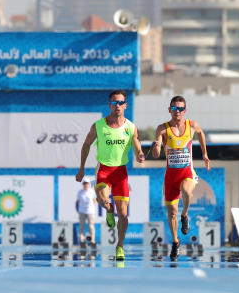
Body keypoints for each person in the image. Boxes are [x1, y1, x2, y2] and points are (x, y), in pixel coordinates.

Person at [76, 90, 145, 261]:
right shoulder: (99, 125)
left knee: (123, 214)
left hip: (121, 172)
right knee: (102, 199)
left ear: (125, 105)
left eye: (121, 103)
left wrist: (140, 154)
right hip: (104, 170)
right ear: (109, 105)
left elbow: (137, 145)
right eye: (114, 103)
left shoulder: (131, 127)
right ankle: (108, 209)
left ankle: (119, 247)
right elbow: (86, 145)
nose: (117, 106)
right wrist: (81, 168)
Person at [151, 95, 210, 261]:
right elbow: (156, 155)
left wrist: (204, 154)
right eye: (174, 108)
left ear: (185, 110)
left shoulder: (192, 125)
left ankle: (185, 215)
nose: (177, 111)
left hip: (186, 173)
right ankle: (175, 242)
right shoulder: (162, 129)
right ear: (169, 110)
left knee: (186, 191)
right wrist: (156, 147)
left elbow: (201, 134)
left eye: (180, 108)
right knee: (171, 213)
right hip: (170, 176)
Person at [77, 177, 96, 245]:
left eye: (87, 183)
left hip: (90, 211)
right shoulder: (80, 192)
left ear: (88, 184)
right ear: (83, 184)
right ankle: (81, 240)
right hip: (82, 211)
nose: (86, 184)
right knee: (82, 226)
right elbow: (78, 201)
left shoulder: (92, 191)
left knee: (91, 226)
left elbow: (94, 201)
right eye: (84, 183)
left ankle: (92, 240)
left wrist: (89, 207)